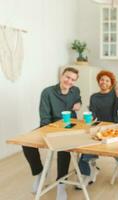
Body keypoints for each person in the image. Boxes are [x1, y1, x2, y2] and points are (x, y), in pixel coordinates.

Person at [22, 67, 81, 200]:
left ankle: (61, 184)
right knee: (27, 143)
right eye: (67, 77)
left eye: (73, 79)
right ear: (61, 76)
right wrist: (52, 132)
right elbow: (44, 118)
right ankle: (40, 173)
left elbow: (78, 99)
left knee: (63, 148)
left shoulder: (75, 91)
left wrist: (78, 103)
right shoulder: (47, 92)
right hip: (49, 125)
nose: (69, 81)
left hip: (70, 127)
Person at [77, 70, 118, 187]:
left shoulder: (115, 94)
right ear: (98, 81)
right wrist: (88, 117)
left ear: (111, 83)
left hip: (113, 129)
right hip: (98, 127)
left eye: (107, 80)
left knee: (89, 149)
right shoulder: (94, 97)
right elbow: (93, 114)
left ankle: (90, 169)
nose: (104, 82)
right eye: (102, 79)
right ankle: (88, 172)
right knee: (84, 149)